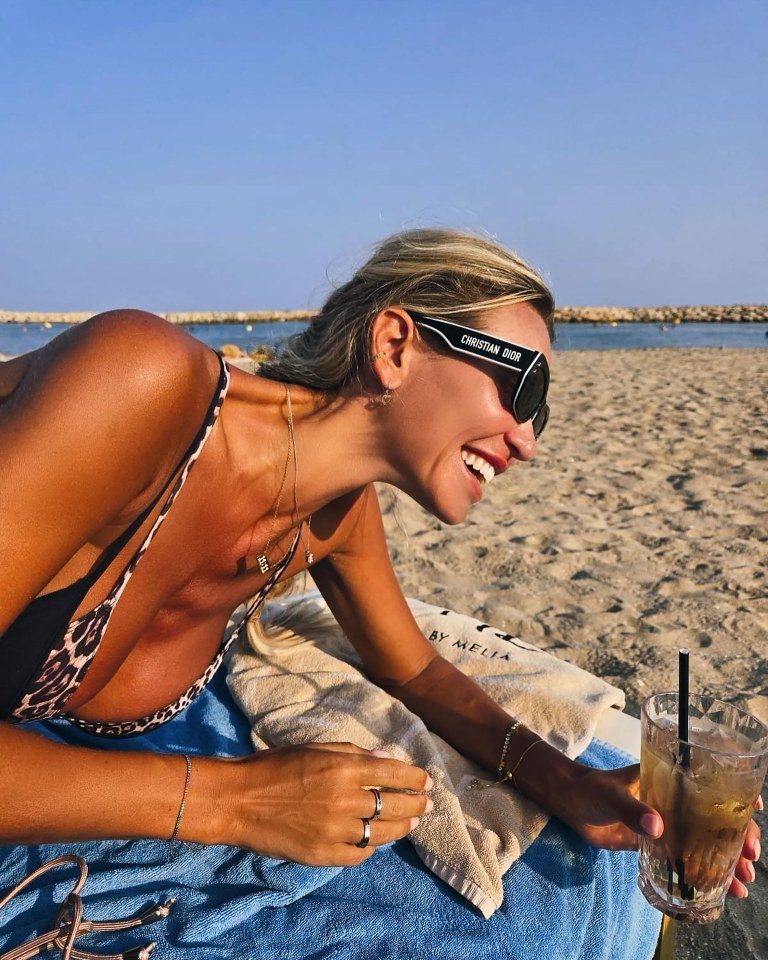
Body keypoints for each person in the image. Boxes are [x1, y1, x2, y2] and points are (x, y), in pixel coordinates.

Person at [0, 229, 759, 894]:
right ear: (395, 346)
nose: (527, 441)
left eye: (541, 414)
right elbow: (236, 798)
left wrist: (572, 785)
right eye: (520, 388)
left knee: (578, 897)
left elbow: (417, 672)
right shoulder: (141, 380)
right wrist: (235, 801)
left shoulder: (337, 518)